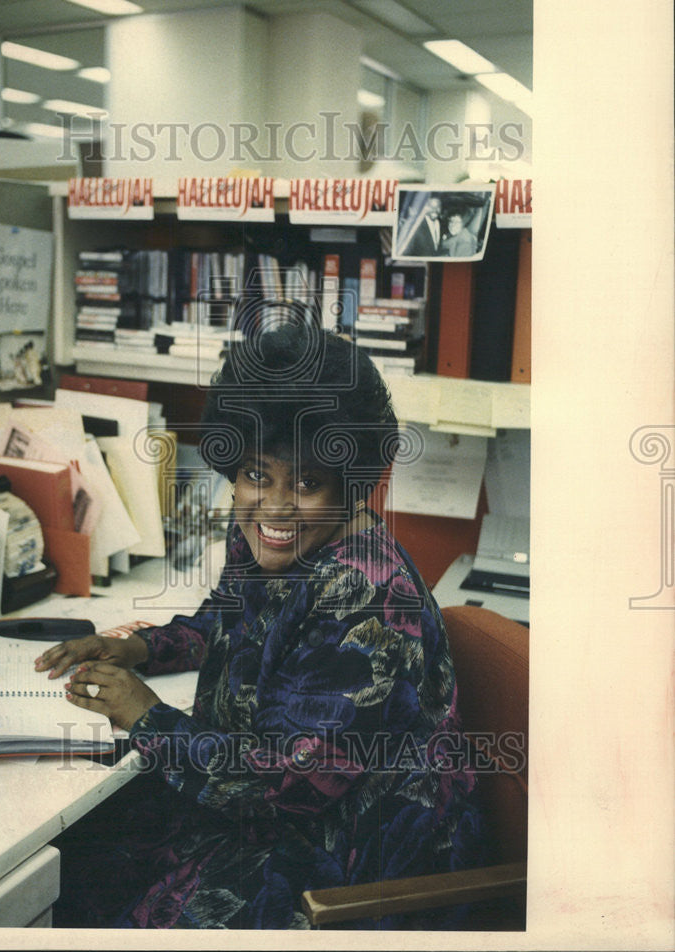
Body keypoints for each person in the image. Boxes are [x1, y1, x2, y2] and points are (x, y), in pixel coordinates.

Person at [34, 323, 484, 930]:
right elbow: (228, 615)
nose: (272, 505)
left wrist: (148, 717)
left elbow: (300, 783)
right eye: (256, 473)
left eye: (306, 482)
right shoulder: (272, 532)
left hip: (349, 862)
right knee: (70, 863)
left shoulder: (368, 600)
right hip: (257, 814)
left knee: (103, 901)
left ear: (349, 484)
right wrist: (137, 646)